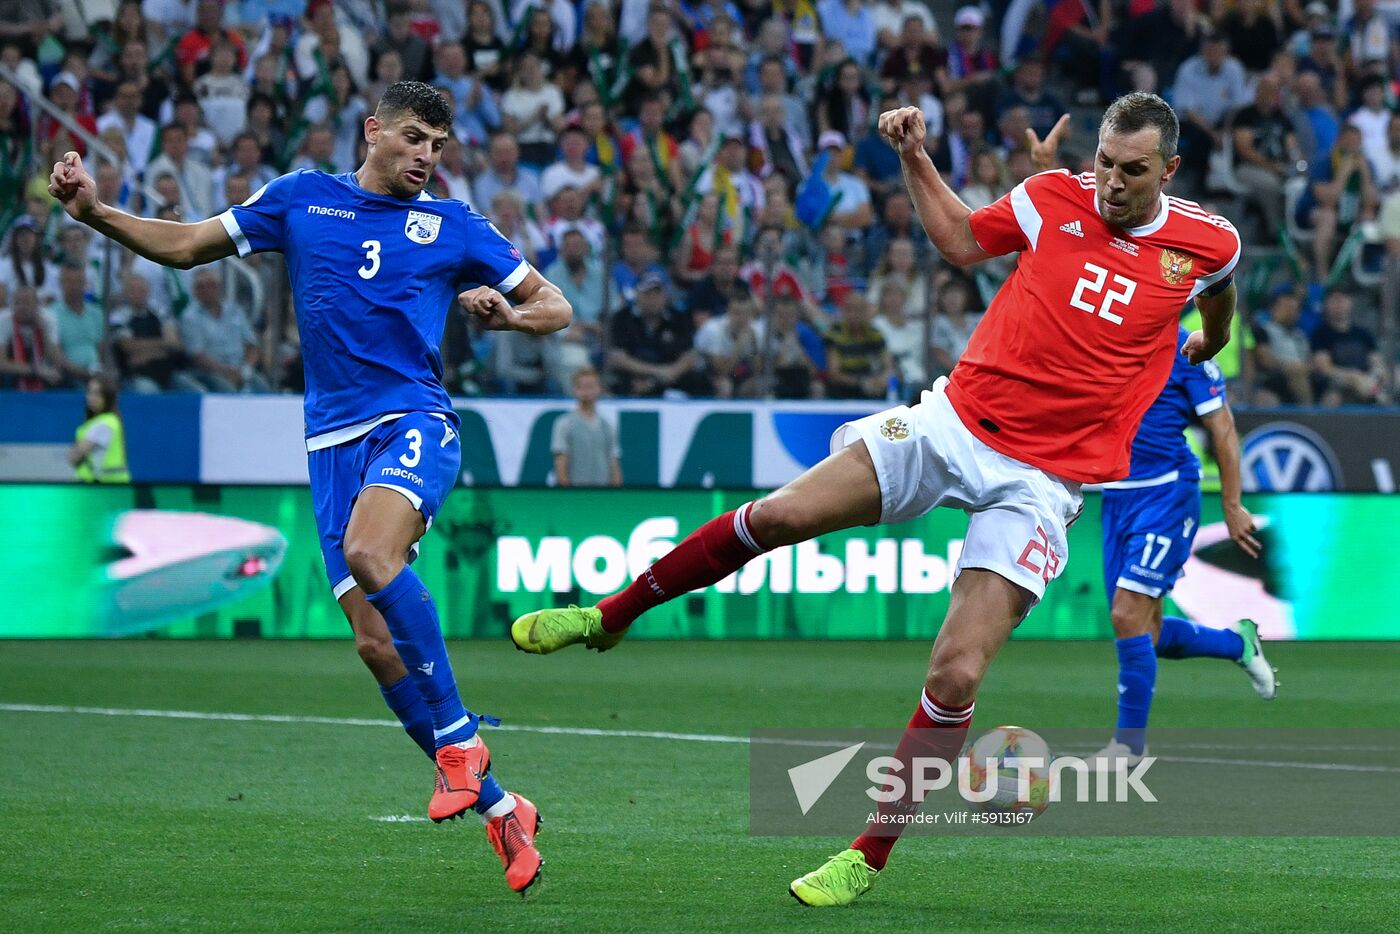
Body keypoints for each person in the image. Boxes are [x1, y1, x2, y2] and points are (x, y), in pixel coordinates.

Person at [509, 92, 1241, 906]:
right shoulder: (1052, 197)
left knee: (957, 673)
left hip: (1041, 483)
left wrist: (1213, 337)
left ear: (1167, 171)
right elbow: (963, 240)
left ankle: (867, 854)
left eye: (1131, 171)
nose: (1111, 181)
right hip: (955, 423)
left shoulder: (1208, 242)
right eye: (1104, 161)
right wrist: (914, 156)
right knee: (780, 515)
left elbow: (1218, 289)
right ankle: (610, 616)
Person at [49, 80, 571, 893]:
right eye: (413, 139)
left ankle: (462, 746)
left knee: (371, 551)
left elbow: (557, 306)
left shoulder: (454, 224)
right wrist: (95, 212)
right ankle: (504, 810)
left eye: (438, 144)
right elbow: (187, 244)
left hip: (413, 421)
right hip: (330, 445)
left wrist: (508, 316)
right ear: (373, 132)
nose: (426, 157)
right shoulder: (299, 200)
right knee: (371, 643)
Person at [1096, 327, 1276, 765]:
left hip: (1166, 495)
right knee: (1146, 633)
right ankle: (1238, 645)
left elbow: (1224, 430)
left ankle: (1128, 747)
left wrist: (1232, 504)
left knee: (1125, 614)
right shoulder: (1101, 338)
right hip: (1114, 495)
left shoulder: (1187, 348)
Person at [551, 367, 621, 488]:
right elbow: (560, 461)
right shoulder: (564, 423)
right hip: (576, 494)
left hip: (602, 495)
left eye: (590, 387)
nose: (586, 392)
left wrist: (615, 491)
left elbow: (613, 462)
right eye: (581, 387)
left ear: (599, 389)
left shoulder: (607, 426)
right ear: (574, 390)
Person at [69, 375, 130, 483]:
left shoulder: (104, 424)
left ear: (107, 397)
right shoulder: (106, 421)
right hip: (103, 486)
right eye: (89, 392)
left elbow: (74, 456)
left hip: (107, 488)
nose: (91, 397)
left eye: (97, 393)